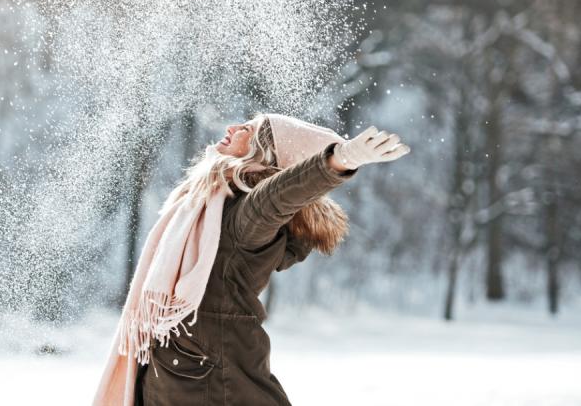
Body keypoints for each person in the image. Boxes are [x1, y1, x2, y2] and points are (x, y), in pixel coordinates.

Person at [93, 112, 411, 406]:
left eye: (248, 130)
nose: (232, 128)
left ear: (263, 154)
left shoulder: (244, 219)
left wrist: (337, 161)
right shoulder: (209, 207)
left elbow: (276, 196)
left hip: (210, 381)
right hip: (183, 374)